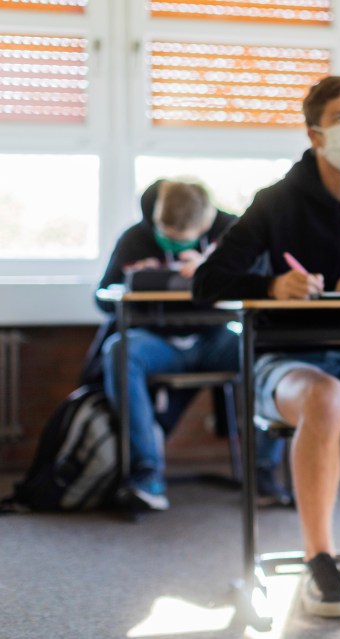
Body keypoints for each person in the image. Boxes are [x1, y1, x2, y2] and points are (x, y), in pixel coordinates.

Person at [193, 76, 340, 617]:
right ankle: (318, 560)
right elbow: (207, 283)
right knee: (325, 398)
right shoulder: (275, 203)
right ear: (316, 134)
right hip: (285, 363)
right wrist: (270, 285)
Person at [98, 179, 286, 512]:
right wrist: (141, 283)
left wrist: (211, 271)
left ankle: (263, 473)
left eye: (179, 238)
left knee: (265, 350)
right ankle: (147, 474)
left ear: (206, 221)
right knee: (119, 350)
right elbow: (102, 297)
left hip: (215, 337)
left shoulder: (233, 233)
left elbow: (265, 281)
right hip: (157, 341)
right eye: (165, 233)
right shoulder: (135, 238)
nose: (170, 241)